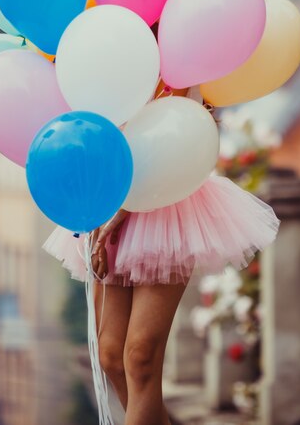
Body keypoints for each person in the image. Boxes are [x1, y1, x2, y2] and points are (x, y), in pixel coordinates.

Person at [43, 146, 279, 425]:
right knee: (110, 354)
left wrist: (128, 203)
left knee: (140, 356)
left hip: (164, 198)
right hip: (107, 191)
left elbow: (187, 137)